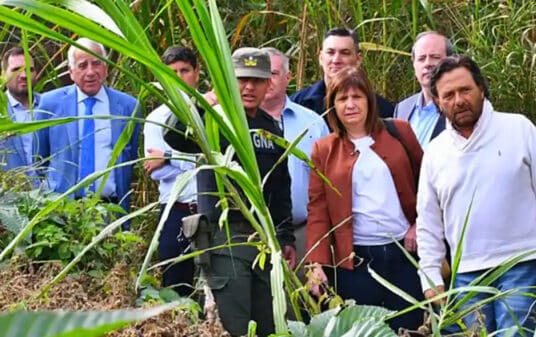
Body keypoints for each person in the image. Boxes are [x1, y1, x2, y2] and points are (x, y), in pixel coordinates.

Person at [416, 55, 536, 336]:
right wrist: (429, 275)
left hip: (522, 264)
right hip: (466, 273)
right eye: (448, 95)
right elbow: (428, 222)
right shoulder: (435, 152)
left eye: (465, 90)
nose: (458, 100)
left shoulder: (518, 128)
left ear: (482, 89)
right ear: (438, 102)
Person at [163, 47, 296, 337]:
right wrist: (205, 103)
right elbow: (173, 135)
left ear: (268, 84)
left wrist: (285, 237)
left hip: (264, 240)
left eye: (257, 80)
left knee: (269, 324)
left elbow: (280, 186)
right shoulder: (213, 121)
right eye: (241, 79)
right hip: (225, 241)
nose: (249, 87)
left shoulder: (269, 127)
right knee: (231, 325)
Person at [305, 66, 424, 331]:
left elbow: (427, 184)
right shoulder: (323, 149)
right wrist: (316, 263)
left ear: (369, 100)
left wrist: (420, 223)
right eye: (341, 99)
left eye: (356, 97)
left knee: (410, 327)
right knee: (361, 329)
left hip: (404, 256)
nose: (350, 105)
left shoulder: (399, 132)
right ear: (332, 106)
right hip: (356, 262)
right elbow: (318, 209)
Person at [36, 38, 140, 220]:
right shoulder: (50, 104)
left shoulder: (128, 107)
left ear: (106, 68)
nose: (90, 72)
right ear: (71, 72)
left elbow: (130, 156)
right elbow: (39, 159)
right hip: (63, 209)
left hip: (111, 208)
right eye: (82, 65)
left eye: (96, 63)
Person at [260, 47, 329, 267]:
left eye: (272, 73)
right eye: (260, 74)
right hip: (251, 236)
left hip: (302, 235)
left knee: (298, 300)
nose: (266, 80)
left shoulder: (313, 123)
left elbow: (327, 182)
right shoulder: (235, 123)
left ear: (288, 77)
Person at [143, 46, 201, 296]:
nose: (179, 77)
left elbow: (213, 161)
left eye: (184, 71)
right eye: (172, 72)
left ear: (196, 73)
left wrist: (168, 157)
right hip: (175, 210)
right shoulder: (156, 119)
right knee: (176, 287)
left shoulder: (212, 113)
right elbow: (155, 171)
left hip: (212, 209)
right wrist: (191, 161)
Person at [290, 27, 395, 123]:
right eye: (330, 52)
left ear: (358, 60)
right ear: (321, 58)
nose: (336, 60)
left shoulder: (381, 109)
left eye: (345, 53)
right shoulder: (296, 105)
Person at [394, 31, 455, 148]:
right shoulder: (402, 109)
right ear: (414, 64)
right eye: (421, 59)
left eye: (435, 57)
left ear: (450, 62)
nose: (427, 64)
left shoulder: (458, 105)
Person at [1, 47, 41, 173]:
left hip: (50, 190)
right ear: (3, 74)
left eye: (30, 70)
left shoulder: (51, 107)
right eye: (16, 70)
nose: (24, 75)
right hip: (9, 190)